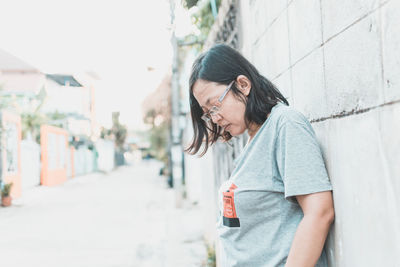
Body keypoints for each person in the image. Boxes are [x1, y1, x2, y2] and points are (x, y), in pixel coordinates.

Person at [184, 43, 334, 267]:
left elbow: (319, 212)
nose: (214, 119)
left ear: (243, 85)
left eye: (214, 106)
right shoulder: (252, 140)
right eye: (207, 114)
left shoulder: (285, 125)